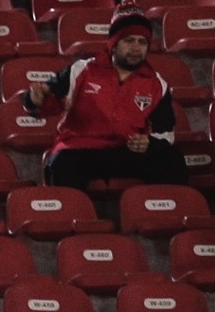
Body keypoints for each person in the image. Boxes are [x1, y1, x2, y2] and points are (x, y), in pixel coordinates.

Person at [23, 10, 183, 191]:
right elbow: (48, 99)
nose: (136, 48)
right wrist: (35, 100)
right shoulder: (83, 70)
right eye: (129, 41)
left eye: (142, 42)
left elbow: (166, 133)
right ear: (113, 44)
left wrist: (150, 143)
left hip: (126, 150)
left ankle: (163, 218)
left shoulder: (156, 83)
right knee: (61, 163)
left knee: (172, 160)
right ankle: (75, 218)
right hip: (82, 150)